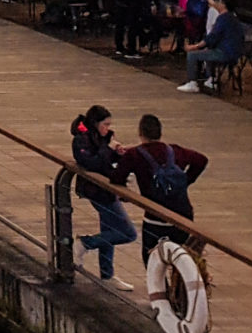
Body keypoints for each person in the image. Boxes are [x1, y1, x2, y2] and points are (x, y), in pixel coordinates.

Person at [117, 112, 207, 267]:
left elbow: (117, 177)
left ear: (140, 134)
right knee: (182, 261)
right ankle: (180, 289)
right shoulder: (175, 151)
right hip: (183, 216)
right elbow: (201, 160)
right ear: (160, 132)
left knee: (151, 260)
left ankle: (161, 290)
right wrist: (186, 180)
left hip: (155, 216)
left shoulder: (134, 155)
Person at [71, 106, 137, 289]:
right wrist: (108, 150)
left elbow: (106, 159)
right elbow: (90, 163)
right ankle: (85, 243)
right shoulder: (81, 140)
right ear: (95, 124)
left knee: (109, 230)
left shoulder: (106, 137)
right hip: (96, 190)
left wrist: (117, 152)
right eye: (105, 124)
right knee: (128, 232)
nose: (107, 128)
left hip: (108, 189)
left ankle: (107, 274)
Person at [178, 0, 245, 92]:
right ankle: (211, 79)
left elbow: (212, 37)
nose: (216, 3)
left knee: (192, 55)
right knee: (208, 52)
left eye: (219, 1)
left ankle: (192, 83)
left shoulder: (223, 19)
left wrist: (195, 46)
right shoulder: (234, 18)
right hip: (236, 53)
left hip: (225, 53)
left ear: (223, 4)